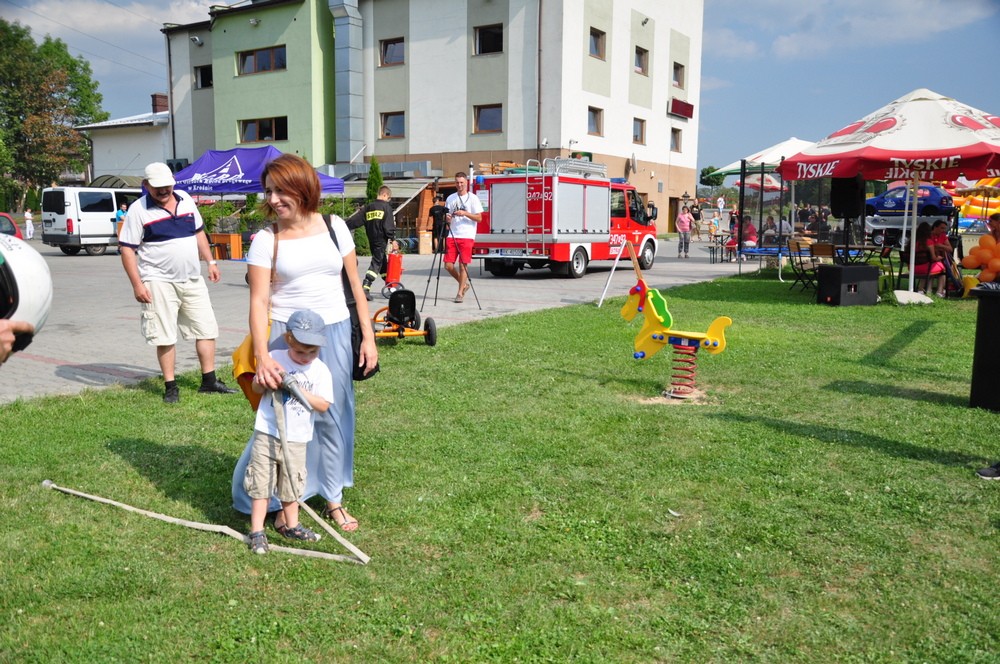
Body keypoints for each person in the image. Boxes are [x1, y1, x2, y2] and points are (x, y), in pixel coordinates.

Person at [231, 153, 377, 533]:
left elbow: (355, 286)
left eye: (281, 191)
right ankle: (285, 499)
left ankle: (333, 498)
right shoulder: (267, 240)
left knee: (333, 415)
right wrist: (262, 355)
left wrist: (368, 337)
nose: (273, 199)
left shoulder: (335, 226)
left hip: (335, 330)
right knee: (285, 419)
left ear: (303, 188)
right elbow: (258, 302)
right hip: (286, 336)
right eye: (269, 191)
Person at [118, 162, 236, 403]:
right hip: (158, 281)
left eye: (167, 185)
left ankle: (209, 381)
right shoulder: (138, 210)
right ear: (146, 185)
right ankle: (171, 386)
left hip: (192, 279)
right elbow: (127, 249)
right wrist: (137, 284)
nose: (164, 191)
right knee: (164, 335)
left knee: (206, 329)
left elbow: (199, 232)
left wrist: (211, 262)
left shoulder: (186, 200)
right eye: (157, 187)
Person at [245, 309, 333, 554]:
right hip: (267, 432)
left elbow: (323, 405)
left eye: (312, 352)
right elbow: (256, 388)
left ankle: (292, 526)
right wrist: (264, 381)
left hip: (296, 438)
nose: (305, 358)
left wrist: (296, 388)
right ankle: (257, 531)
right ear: (288, 340)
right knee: (261, 482)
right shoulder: (274, 358)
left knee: (291, 483)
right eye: (299, 352)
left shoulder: (320, 371)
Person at [346, 185, 396, 301]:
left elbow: (356, 220)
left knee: (382, 263)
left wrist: (343, 225)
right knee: (377, 262)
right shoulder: (386, 207)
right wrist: (393, 239)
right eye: (389, 198)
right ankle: (366, 287)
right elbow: (388, 226)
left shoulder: (368, 207)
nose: (388, 200)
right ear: (385, 195)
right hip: (381, 240)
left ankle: (391, 287)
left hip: (372, 239)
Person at [445, 172, 483, 303]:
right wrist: (447, 218)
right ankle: (464, 284)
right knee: (448, 265)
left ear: (466, 182)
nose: (459, 185)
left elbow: (479, 218)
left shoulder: (473, 198)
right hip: (452, 234)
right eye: (457, 182)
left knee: (463, 266)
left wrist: (465, 213)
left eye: (461, 182)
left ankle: (460, 292)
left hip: (467, 235)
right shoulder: (450, 198)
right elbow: (447, 216)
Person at [911, 221, 947, 296]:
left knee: (931, 267)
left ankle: (924, 290)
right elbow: (933, 258)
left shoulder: (913, 241)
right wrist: (939, 258)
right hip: (925, 268)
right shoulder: (929, 242)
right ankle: (939, 291)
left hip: (913, 268)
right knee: (941, 269)